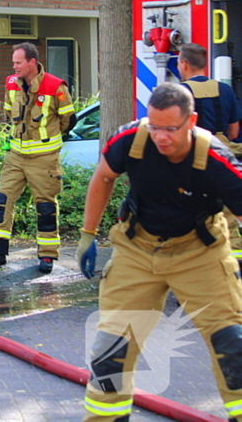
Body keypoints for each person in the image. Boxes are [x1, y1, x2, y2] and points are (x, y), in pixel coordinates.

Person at [76, 82, 242, 422]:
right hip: (137, 249)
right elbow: (104, 177)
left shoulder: (214, 159)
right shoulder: (131, 140)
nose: (161, 136)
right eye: (154, 126)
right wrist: (87, 235)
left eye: (170, 128)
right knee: (111, 352)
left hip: (200, 252)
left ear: (191, 120)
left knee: (233, 346)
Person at [0, 42, 75, 272]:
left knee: (46, 206)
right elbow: (9, 111)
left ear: (32, 62)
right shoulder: (11, 83)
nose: (14, 66)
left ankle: (47, 255)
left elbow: (67, 120)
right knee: (2, 201)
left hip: (44, 158)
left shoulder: (55, 86)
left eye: (18, 62)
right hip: (16, 155)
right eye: (13, 62)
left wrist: (47, 141)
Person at [177, 42, 242, 264]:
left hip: (192, 156)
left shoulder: (180, 92)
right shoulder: (225, 90)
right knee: (228, 217)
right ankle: (234, 271)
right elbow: (234, 131)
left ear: (183, 63)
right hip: (222, 153)